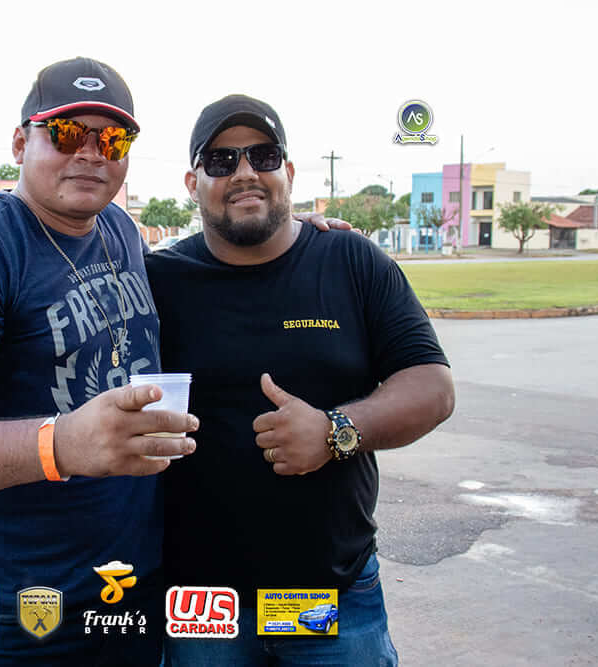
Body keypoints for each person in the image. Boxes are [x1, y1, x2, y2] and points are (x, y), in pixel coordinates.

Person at [0, 57, 199, 666]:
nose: (91, 153)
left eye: (112, 139)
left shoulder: (119, 229)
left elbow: (196, 267)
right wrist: (62, 445)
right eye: (66, 133)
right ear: (19, 142)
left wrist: (290, 238)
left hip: (125, 587)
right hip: (13, 610)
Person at [145, 95, 455, 666]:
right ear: (193, 183)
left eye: (263, 156)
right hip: (201, 604)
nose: (244, 172)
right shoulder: (157, 280)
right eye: (221, 161)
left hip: (326, 594)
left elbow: (433, 387)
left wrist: (336, 431)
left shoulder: (351, 260)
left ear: (287, 172)